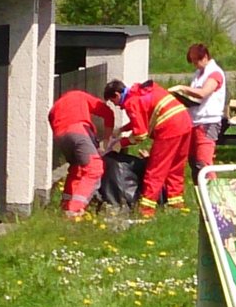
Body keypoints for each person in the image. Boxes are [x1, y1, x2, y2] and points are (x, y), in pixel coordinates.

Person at [104, 79, 192, 218]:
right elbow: (143, 116)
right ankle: (177, 205)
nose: (116, 106)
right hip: (184, 121)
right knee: (176, 167)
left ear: (116, 95)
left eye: (112, 101)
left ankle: (146, 210)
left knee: (156, 169)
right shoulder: (139, 92)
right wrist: (121, 129)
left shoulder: (131, 102)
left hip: (169, 128)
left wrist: (121, 143)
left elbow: (141, 134)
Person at [48, 89, 115, 219]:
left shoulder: (57, 105)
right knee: (94, 168)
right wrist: (107, 140)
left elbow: (51, 119)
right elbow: (108, 113)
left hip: (60, 136)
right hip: (78, 131)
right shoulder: (79, 95)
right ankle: (75, 210)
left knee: (76, 169)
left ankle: (66, 205)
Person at [172, 43, 227, 182]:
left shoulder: (215, 73)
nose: (195, 64)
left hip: (208, 122)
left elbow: (203, 93)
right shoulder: (198, 74)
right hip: (195, 121)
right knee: (194, 161)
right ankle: (200, 192)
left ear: (205, 57)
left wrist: (182, 88)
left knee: (204, 162)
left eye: (197, 60)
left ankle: (214, 194)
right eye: (193, 61)